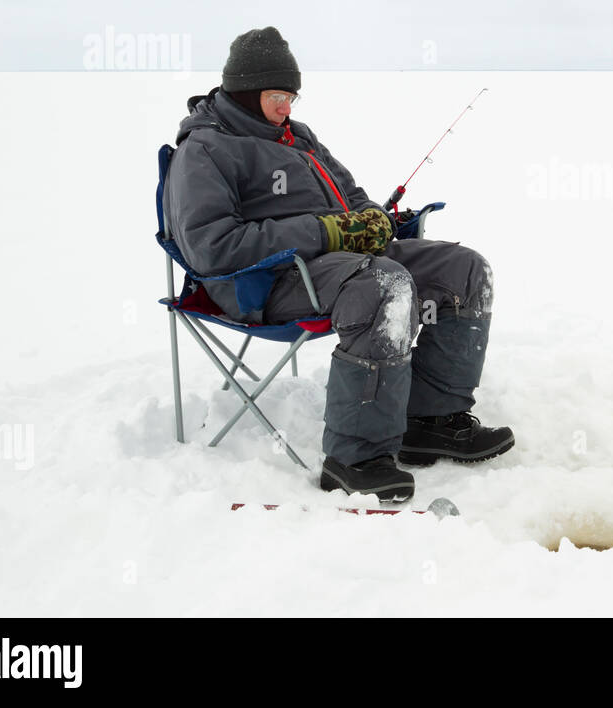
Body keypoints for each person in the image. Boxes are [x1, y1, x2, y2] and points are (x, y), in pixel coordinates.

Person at [163, 27, 513, 502]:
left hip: (339, 263)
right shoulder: (205, 150)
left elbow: (348, 195)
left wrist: (372, 219)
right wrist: (325, 232)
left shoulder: (298, 138)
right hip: (264, 282)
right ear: (246, 92)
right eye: (277, 96)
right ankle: (355, 456)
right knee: (384, 287)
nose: (287, 107)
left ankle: (429, 422)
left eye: (292, 97)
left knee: (465, 272)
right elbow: (213, 247)